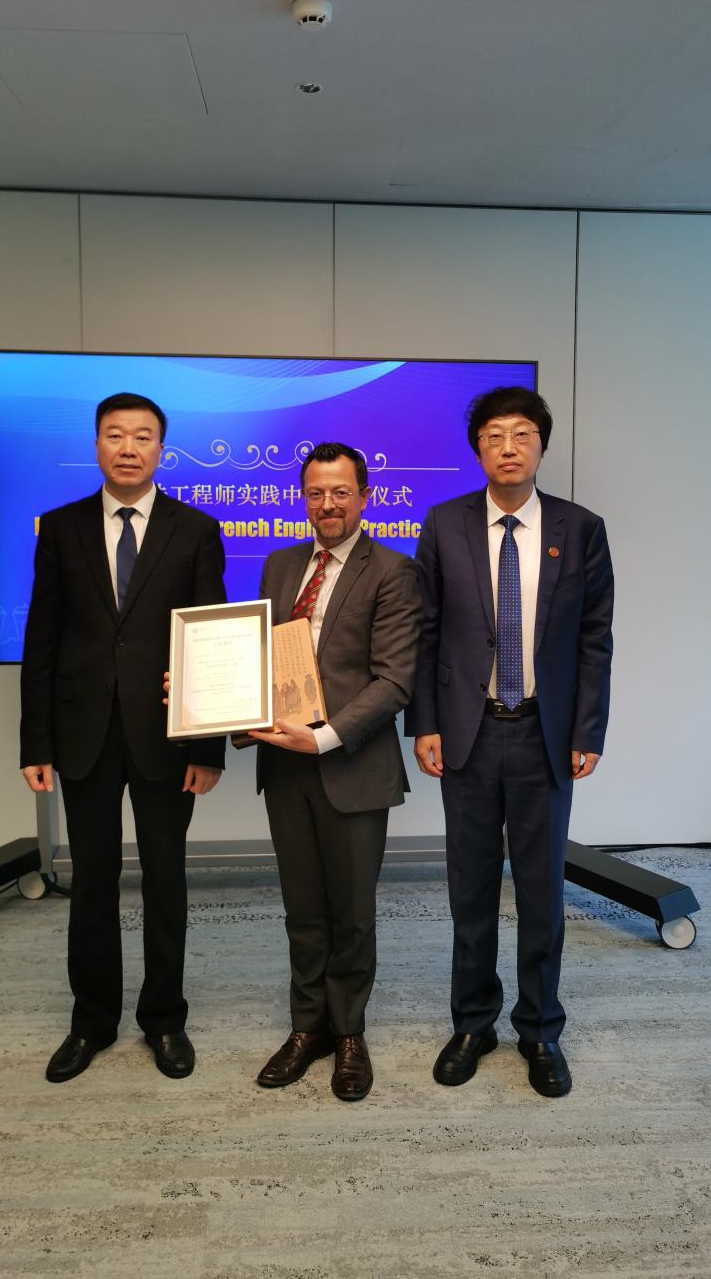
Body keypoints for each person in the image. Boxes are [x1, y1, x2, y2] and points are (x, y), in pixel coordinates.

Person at [406, 386, 613, 1098]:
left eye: (522, 434)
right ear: (478, 449)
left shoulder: (580, 529)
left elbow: (595, 639)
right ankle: (473, 1022)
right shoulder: (445, 523)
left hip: (543, 735)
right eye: (494, 435)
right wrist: (424, 722)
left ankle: (541, 1029)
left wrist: (587, 729)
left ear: (541, 446)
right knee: (469, 890)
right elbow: (426, 632)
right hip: (467, 732)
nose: (508, 447)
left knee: (541, 892)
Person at [20, 392, 226, 1084]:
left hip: (166, 736)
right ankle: (92, 1020)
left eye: (142, 436)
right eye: (115, 435)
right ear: (97, 446)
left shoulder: (196, 530)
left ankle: (164, 1017)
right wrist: (35, 742)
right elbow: (42, 640)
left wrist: (207, 747)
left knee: (166, 879)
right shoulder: (62, 527)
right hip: (83, 732)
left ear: (161, 450)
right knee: (92, 881)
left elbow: (212, 640)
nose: (129, 447)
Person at [248, 443, 423, 1102]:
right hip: (283, 766)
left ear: (364, 497)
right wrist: (214, 699)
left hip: (352, 764)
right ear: (304, 498)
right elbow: (261, 661)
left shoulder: (394, 571)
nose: (328, 504)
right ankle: (308, 1027)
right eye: (317, 492)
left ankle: (349, 1031)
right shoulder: (279, 564)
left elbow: (394, 680)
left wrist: (323, 737)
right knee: (302, 908)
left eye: (341, 492)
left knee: (351, 912)